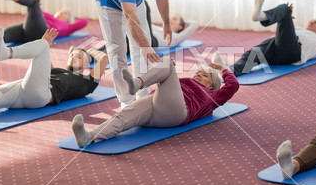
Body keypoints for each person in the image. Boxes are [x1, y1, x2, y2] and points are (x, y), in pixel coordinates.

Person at [0, 27, 108, 125]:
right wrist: (46, 46)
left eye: (79, 57)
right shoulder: (59, 70)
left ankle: (7, 53)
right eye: (72, 55)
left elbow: (104, 58)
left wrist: (86, 52)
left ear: (87, 65)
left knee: (43, 45)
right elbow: (42, 67)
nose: (73, 56)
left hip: (43, 95)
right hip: (22, 88)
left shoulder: (88, 81)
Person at [71, 56, 240, 147]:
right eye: (198, 72)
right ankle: (89, 137)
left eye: (204, 75)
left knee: (166, 62)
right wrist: (166, 72)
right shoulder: (184, 81)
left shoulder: (214, 96)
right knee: (122, 117)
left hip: (178, 113)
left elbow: (233, 85)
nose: (198, 75)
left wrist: (223, 69)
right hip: (155, 107)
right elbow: (163, 90)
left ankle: (137, 83)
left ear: (213, 85)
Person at [95, 0, 175, 109]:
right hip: (109, 2)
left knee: (143, 49)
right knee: (117, 50)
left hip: (134, 1)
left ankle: (143, 95)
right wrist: (144, 44)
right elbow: (129, 16)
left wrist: (166, 23)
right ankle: (126, 100)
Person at [212, 0, 316, 76]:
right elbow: (285, 33)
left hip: (293, 52)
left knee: (285, 8)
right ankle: (226, 71)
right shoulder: (299, 29)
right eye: (311, 21)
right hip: (275, 49)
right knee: (252, 54)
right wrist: (286, 21)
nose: (312, 21)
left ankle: (261, 16)